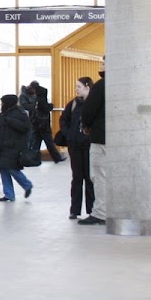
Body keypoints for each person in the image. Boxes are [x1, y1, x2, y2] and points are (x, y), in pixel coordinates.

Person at [0, 94, 34, 202]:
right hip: (2, 148)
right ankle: (9, 194)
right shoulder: (2, 115)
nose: (1, 105)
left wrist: (11, 121)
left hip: (14, 148)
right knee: (3, 169)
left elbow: (26, 128)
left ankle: (27, 185)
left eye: (2, 103)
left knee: (12, 169)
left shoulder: (20, 113)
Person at [58, 77, 95, 220]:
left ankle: (92, 210)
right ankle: (75, 210)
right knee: (77, 177)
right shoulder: (72, 104)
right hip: (75, 146)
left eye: (78, 86)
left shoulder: (93, 103)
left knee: (90, 178)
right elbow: (63, 120)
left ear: (87, 87)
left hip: (89, 145)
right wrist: (69, 135)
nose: (76, 89)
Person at [78, 58, 106, 225]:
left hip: (101, 136)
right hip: (119, 138)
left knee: (99, 175)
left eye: (103, 63)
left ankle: (101, 213)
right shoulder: (123, 82)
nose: (100, 65)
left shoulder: (102, 85)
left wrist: (86, 125)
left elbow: (89, 110)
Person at [20, 80, 64, 163]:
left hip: (36, 122)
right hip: (36, 122)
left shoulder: (36, 97)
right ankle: (30, 158)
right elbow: (26, 107)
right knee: (39, 141)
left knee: (36, 142)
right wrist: (37, 105)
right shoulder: (25, 96)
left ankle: (31, 158)